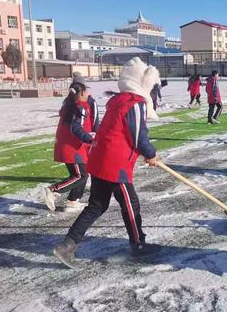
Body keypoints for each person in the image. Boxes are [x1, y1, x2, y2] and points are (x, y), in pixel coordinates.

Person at [53, 57, 161, 268]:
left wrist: (146, 152)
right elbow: (138, 135)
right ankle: (138, 244)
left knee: (96, 206)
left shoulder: (118, 100)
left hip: (100, 159)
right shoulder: (135, 103)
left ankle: (67, 246)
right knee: (130, 204)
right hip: (115, 163)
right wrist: (151, 153)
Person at [43, 82, 96, 213]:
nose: (88, 94)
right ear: (82, 93)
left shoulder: (70, 105)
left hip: (69, 146)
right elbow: (76, 128)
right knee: (80, 175)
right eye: (86, 91)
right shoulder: (80, 107)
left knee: (81, 174)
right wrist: (90, 139)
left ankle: (72, 202)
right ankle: (53, 189)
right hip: (73, 148)